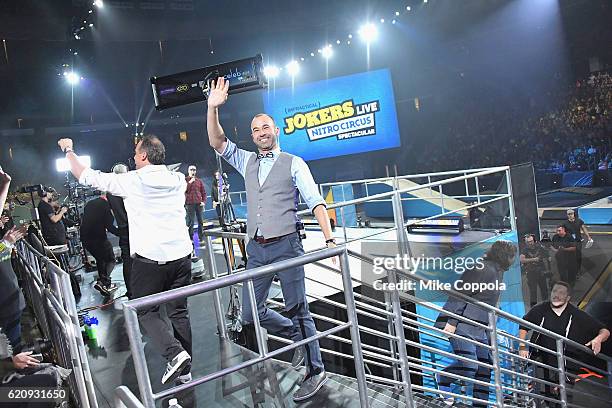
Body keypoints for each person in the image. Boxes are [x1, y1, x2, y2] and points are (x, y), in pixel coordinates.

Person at [206, 77, 336, 402]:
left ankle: (315, 369)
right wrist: (212, 108)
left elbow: (315, 200)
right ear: (252, 136)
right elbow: (217, 141)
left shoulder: (294, 163)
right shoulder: (246, 160)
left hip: (287, 245)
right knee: (250, 314)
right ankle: (295, 337)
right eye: (255, 130)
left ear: (276, 130)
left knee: (298, 308)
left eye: (266, 127)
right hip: (256, 249)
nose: (261, 133)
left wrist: (330, 239)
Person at [57, 135, 194, 385]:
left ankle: (175, 355)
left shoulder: (133, 180)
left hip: (151, 261)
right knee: (179, 312)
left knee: (144, 308)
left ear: (143, 156)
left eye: (135, 153)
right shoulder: (177, 179)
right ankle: (185, 372)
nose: (132, 157)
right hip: (182, 258)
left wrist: (68, 150)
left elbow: (85, 175)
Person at [435, 240, 517, 407]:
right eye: (512, 255)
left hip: (481, 328)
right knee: (470, 366)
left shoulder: (498, 271)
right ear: (504, 255)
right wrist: (451, 322)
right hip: (464, 324)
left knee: (485, 370)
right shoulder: (482, 268)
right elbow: (460, 294)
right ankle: (443, 378)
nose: (513, 259)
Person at [518, 282, 610, 404]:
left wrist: (598, 339)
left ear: (568, 298)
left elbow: (605, 331)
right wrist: (522, 346)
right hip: (541, 361)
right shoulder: (540, 309)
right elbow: (524, 325)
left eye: (561, 293)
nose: (557, 295)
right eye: (555, 291)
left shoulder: (576, 314)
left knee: (564, 399)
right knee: (543, 398)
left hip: (566, 365)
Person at [79, 193, 119, 296]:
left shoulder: (89, 204)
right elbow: (110, 227)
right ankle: (103, 282)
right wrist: (123, 233)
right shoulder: (106, 206)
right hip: (98, 238)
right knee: (111, 260)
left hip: (86, 238)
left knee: (100, 259)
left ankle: (104, 283)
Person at [107, 163, 132, 299]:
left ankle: (131, 290)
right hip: (135, 226)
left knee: (127, 260)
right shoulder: (129, 187)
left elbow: (111, 211)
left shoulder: (110, 192)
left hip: (122, 228)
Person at [519, 233, 550, 306]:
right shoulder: (524, 249)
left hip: (541, 272)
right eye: (528, 242)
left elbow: (547, 255)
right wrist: (534, 259)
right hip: (531, 273)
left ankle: (546, 306)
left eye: (531, 241)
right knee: (533, 292)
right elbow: (522, 260)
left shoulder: (539, 247)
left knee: (544, 290)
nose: (530, 243)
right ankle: (533, 308)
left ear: (534, 240)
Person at [563, 209, 592, 275]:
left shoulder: (579, 221)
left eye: (571, 214)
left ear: (574, 214)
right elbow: (563, 232)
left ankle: (578, 270)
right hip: (570, 242)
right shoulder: (564, 223)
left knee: (578, 256)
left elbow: (584, 228)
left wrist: (588, 236)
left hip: (578, 241)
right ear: (567, 215)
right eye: (569, 214)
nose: (570, 215)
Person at [184, 165, 206, 241]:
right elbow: (184, 190)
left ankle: (201, 237)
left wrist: (203, 201)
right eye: (191, 170)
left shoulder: (199, 181)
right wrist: (190, 182)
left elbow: (203, 192)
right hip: (189, 204)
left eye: (194, 170)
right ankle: (190, 238)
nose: (193, 171)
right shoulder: (185, 180)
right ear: (188, 171)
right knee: (190, 222)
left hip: (198, 203)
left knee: (201, 221)